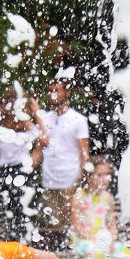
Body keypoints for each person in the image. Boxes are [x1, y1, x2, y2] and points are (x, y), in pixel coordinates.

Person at [0, 84, 46, 242]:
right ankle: (14, 244)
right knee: (10, 210)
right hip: (5, 171)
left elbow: (43, 139)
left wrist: (32, 162)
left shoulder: (26, 125)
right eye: (8, 101)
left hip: (22, 170)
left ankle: (25, 245)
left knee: (23, 212)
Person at [70, 155, 130, 259]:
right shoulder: (80, 197)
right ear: (88, 176)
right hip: (84, 241)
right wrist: (96, 239)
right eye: (99, 175)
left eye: (107, 174)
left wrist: (111, 238)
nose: (104, 179)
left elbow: (112, 224)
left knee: (129, 258)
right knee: (95, 255)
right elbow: (78, 227)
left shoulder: (107, 198)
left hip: (105, 241)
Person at [37, 77, 89, 250]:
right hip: (49, 178)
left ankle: (75, 257)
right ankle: (58, 256)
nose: (53, 95)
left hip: (70, 178)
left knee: (72, 221)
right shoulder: (46, 118)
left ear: (67, 93)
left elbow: (84, 152)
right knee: (53, 223)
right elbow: (39, 147)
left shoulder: (78, 119)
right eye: (51, 90)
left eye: (57, 90)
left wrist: (82, 178)